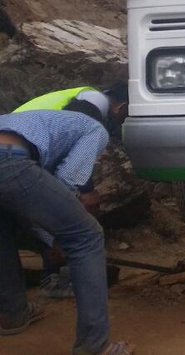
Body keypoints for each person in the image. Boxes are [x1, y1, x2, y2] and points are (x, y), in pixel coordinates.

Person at [0, 86, 134, 355]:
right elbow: (69, 178)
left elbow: (34, 200)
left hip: (11, 154)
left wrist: (49, 237)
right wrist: (59, 237)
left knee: (2, 234)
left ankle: (13, 314)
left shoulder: (45, 120)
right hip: (9, 159)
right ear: (119, 110)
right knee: (86, 237)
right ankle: (95, 346)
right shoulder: (93, 129)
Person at [14, 85, 128, 300]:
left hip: (20, 146)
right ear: (121, 108)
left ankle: (18, 297)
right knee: (59, 214)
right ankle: (56, 279)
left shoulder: (83, 99)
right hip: (21, 153)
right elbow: (72, 156)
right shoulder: (94, 101)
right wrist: (86, 191)